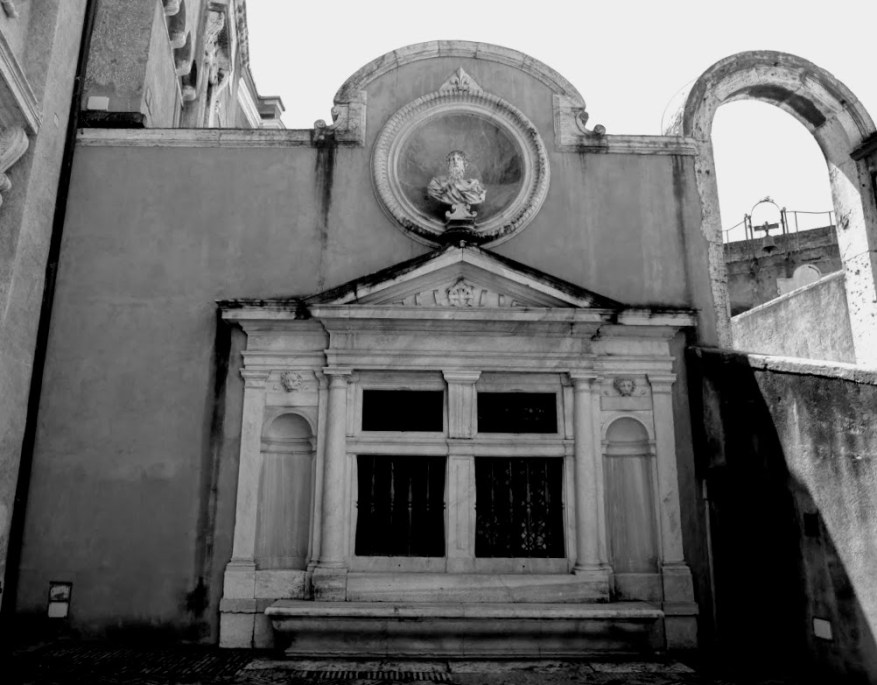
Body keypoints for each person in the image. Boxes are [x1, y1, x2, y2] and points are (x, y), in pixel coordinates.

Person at [427, 150, 486, 219]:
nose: (455, 161)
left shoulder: (474, 187)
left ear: (465, 164)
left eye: (459, 159)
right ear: (448, 164)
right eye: (452, 159)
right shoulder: (437, 184)